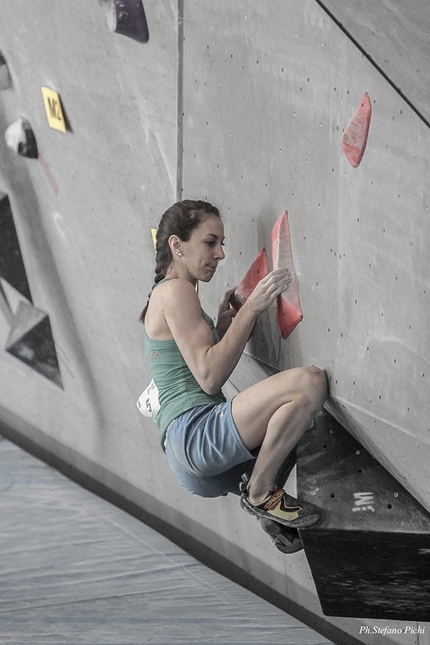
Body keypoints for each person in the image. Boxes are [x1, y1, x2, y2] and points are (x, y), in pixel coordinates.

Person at [138, 200, 327, 552]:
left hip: (189, 461)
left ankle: (264, 498)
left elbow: (194, 368)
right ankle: (260, 494)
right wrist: (252, 308)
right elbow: (210, 377)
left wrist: (222, 330)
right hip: (194, 433)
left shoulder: (169, 295)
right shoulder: (175, 291)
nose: (220, 254)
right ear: (177, 245)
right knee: (310, 383)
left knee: (302, 422)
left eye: (221, 243)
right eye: (210, 242)